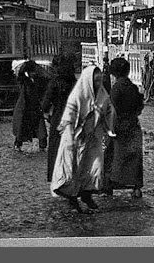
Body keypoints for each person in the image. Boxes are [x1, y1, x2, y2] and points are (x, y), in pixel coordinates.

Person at [50, 64, 112, 213]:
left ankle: (87, 194)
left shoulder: (103, 95)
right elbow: (69, 118)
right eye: (96, 81)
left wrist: (109, 130)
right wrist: (70, 139)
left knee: (95, 167)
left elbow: (109, 112)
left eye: (100, 81)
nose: (98, 84)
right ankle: (72, 198)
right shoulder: (77, 95)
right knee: (74, 170)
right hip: (75, 137)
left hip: (93, 137)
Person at [106, 57, 144, 199]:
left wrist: (110, 127)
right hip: (133, 125)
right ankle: (136, 187)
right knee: (134, 158)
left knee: (113, 156)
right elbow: (140, 107)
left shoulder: (116, 88)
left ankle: (109, 185)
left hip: (119, 126)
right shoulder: (133, 87)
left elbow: (113, 109)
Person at [42, 54, 78, 185]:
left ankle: (56, 177)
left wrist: (47, 113)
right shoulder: (74, 82)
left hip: (58, 118)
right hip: (73, 118)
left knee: (56, 149)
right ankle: (70, 176)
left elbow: (45, 104)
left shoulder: (54, 83)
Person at [12, 59, 49, 152]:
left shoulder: (38, 80)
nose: (34, 73)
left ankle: (42, 146)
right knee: (21, 128)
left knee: (41, 129)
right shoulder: (23, 80)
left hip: (35, 107)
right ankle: (18, 144)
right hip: (24, 107)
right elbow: (20, 75)